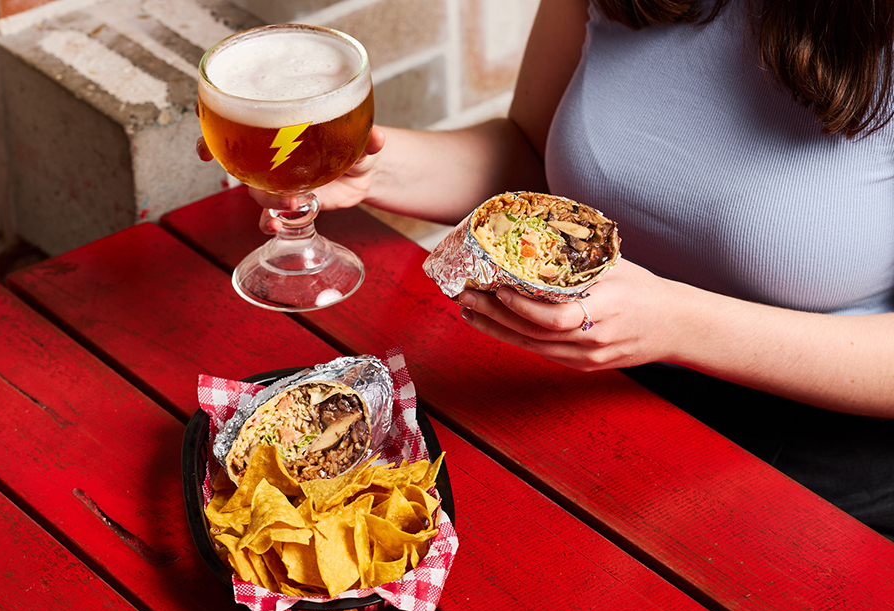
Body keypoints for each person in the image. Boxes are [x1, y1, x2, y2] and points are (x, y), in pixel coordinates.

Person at [200, 0, 894, 536]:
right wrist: (355, 164)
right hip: (584, 403)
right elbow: (530, 157)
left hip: (817, 465)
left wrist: (678, 326)